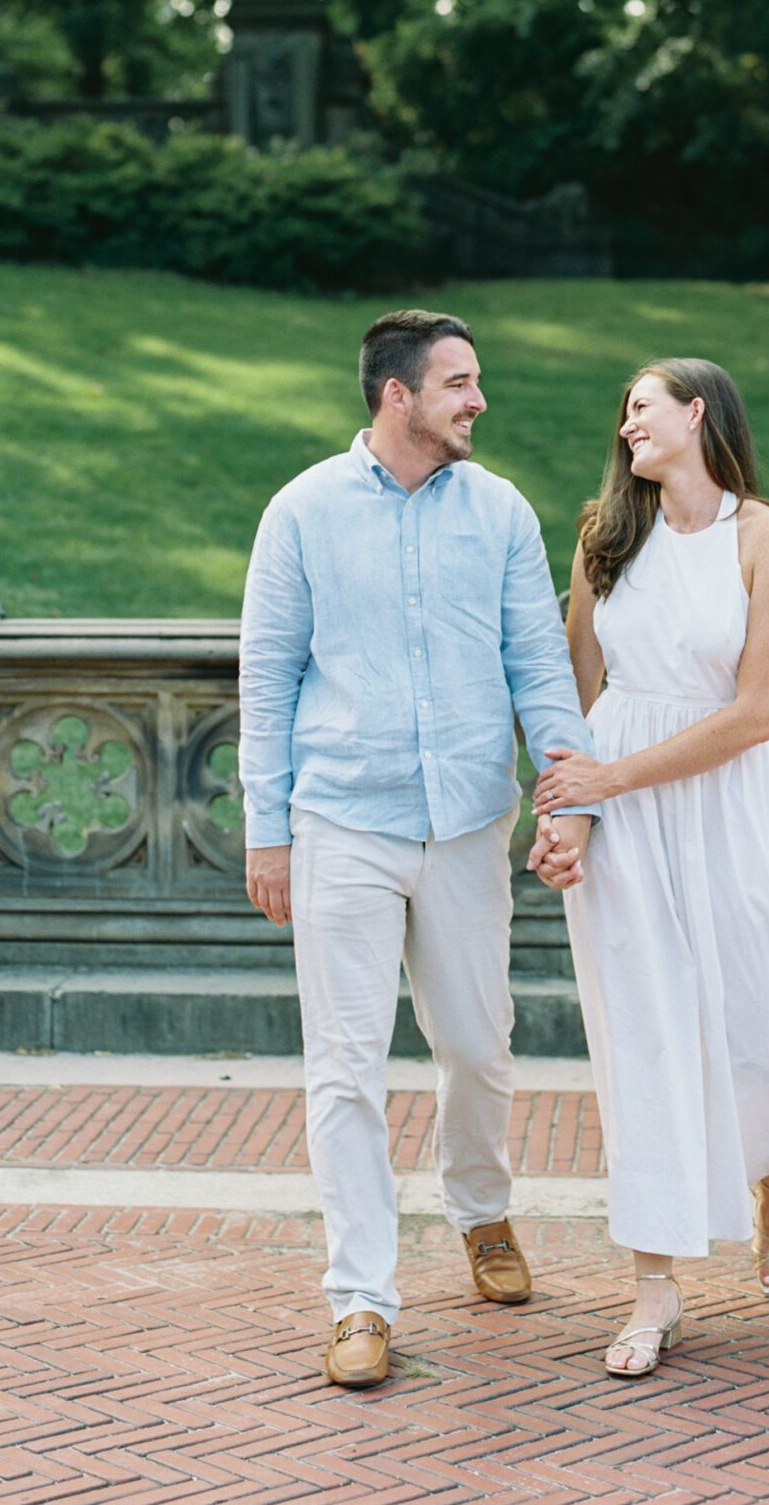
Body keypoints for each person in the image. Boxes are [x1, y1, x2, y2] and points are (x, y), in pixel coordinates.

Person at [528, 356, 769, 1379]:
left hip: (742, 804)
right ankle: (654, 1282)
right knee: (645, 1034)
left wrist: (608, 778)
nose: (625, 427)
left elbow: (755, 712)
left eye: (642, 407)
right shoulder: (605, 535)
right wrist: (571, 808)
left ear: (697, 411)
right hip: (625, 815)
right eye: (621, 413)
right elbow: (572, 693)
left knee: (768, 1010)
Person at [239, 308, 597, 1389]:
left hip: (464, 824)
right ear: (397, 395)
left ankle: (482, 1212)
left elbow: (540, 662)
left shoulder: (497, 512)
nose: (477, 400)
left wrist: (566, 789)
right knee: (344, 1065)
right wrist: (269, 826)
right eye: (459, 383)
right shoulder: (301, 511)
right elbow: (268, 674)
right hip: (342, 821)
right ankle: (360, 1298)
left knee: (479, 1043)